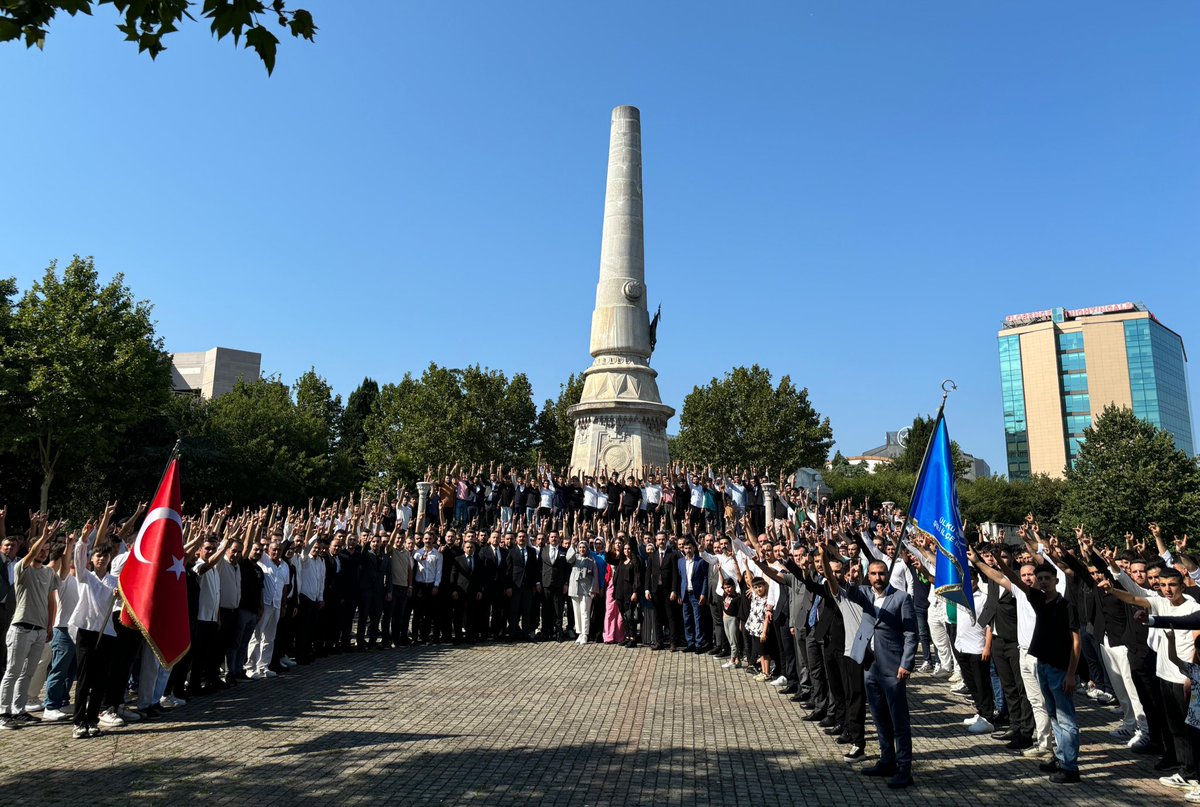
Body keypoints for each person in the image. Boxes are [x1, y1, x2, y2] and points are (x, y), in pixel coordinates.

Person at [991, 553, 1082, 784]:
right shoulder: (1038, 600)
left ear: (1056, 581)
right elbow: (1014, 579)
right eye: (1039, 578)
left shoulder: (1066, 606)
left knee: (1066, 720)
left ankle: (1071, 767)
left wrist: (1071, 673)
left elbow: (1076, 641)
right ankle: (1059, 758)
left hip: (1060, 668)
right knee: (1052, 716)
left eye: (1047, 578)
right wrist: (1000, 562)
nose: (1042, 582)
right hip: (1042, 664)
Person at [839, 557, 918, 790]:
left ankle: (904, 768)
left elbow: (911, 634)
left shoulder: (901, 598)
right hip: (870, 665)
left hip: (893, 668)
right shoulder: (866, 594)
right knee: (879, 717)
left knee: (899, 720)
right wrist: (852, 580)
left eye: (881, 573)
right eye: (873, 574)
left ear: (887, 574)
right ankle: (886, 760)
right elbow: (851, 593)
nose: (877, 578)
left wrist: (907, 663)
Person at [0, 516, 61, 730]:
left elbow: (50, 600)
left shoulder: (48, 572)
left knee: (28, 673)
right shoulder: (21, 568)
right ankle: (3, 712)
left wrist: (50, 626)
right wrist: (45, 534)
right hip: (21, 628)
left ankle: (19, 710)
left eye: (46, 549)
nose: (43, 552)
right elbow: (31, 554)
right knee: (12, 671)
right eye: (40, 549)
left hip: (39, 630)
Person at [676, 540, 709, 653]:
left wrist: (703, 593)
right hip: (685, 594)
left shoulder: (700, 561)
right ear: (683, 549)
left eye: (690, 548)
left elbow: (705, 578)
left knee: (698, 620)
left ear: (694, 549)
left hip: (696, 595)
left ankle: (699, 644)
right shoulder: (680, 562)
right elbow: (680, 578)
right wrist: (680, 594)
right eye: (686, 548)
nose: (688, 550)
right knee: (687, 620)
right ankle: (690, 643)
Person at [566, 538, 598, 645]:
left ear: (587, 548)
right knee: (577, 612)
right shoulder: (576, 558)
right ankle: (579, 632)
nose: (582, 549)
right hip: (575, 589)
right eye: (580, 547)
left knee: (585, 612)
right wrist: (572, 545)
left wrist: (593, 589)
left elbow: (595, 576)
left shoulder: (591, 560)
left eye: (584, 547)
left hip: (586, 589)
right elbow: (568, 558)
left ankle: (585, 634)